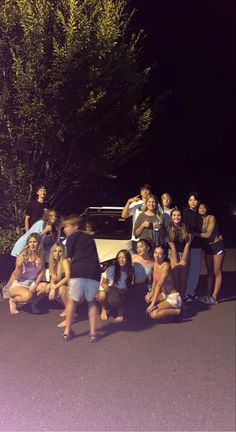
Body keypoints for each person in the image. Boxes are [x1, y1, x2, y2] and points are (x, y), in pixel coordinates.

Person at [62, 215, 101, 342]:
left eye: (67, 226)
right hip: (93, 272)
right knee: (91, 302)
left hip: (78, 270)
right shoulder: (89, 237)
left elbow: (70, 255)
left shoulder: (71, 238)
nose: (64, 229)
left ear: (75, 227)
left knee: (72, 300)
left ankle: (67, 331)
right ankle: (93, 333)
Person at [195, 203, 225, 304]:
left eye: (204, 207)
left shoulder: (211, 217)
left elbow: (208, 234)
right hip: (208, 247)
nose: (202, 209)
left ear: (207, 209)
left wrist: (193, 234)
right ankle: (208, 295)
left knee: (217, 271)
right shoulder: (199, 220)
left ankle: (214, 297)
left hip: (217, 246)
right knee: (210, 272)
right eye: (200, 208)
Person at [8, 233, 45, 314]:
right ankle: (13, 300)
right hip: (19, 283)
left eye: (34, 242)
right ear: (28, 244)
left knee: (45, 288)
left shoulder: (41, 255)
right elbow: (16, 274)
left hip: (32, 282)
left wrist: (35, 284)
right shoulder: (23, 255)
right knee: (27, 297)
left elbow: (42, 271)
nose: (32, 244)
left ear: (38, 243)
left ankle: (33, 304)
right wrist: (21, 265)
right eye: (30, 242)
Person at [145, 246, 182, 321]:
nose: (157, 256)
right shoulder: (155, 264)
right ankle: (165, 312)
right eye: (155, 253)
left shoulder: (166, 266)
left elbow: (159, 285)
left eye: (160, 254)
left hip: (173, 297)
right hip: (164, 295)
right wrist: (151, 293)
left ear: (164, 256)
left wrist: (152, 305)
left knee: (153, 314)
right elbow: (155, 282)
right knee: (147, 298)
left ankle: (177, 311)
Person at [97, 250, 134, 322]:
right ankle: (104, 309)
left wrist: (117, 292)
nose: (121, 260)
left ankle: (121, 310)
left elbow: (128, 287)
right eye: (119, 258)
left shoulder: (130, 271)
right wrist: (110, 290)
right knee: (101, 296)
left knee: (115, 298)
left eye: (124, 258)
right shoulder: (111, 269)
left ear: (128, 259)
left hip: (120, 292)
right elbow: (103, 283)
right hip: (108, 289)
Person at [36, 243, 70, 318]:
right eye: (55, 251)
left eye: (60, 251)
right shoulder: (53, 263)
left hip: (73, 289)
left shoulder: (65, 261)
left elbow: (67, 277)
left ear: (63, 252)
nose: (57, 253)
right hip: (63, 286)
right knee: (46, 287)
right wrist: (52, 287)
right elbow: (53, 278)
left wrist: (54, 287)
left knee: (61, 289)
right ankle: (33, 303)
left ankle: (69, 308)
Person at [167, 208, 191, 299]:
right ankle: (177, 300)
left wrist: (183, 260)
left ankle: (183, 299)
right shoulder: (169, 228)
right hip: (173, 254)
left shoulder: (186, 227)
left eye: (178, 215)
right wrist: (176, 261)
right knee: (175, 279)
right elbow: (172, 246)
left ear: (181, 217)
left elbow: (188, 244)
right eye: (174, 215)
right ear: (171, 217)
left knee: (183, 280)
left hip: (185, 253)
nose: (176, 217)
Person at [183, 192, 203, 302]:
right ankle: (185, 292)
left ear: (198, 201)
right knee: (186, 269)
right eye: (190, 200)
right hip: (187, 245)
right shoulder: (185, 213)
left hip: (197, 245)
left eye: (195, 200)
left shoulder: (200, 213)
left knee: (195, 270)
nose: (192, 202)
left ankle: (191, 292)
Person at [121, 184, 152, 251]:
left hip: (150, 238)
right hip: (136, 238)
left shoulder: (154, 203)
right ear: (140, 192)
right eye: (143, 190)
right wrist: (128, 202)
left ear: (150, 192)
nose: (145, 192)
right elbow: (123, 216)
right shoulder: (135, 203)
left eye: (147, 190)